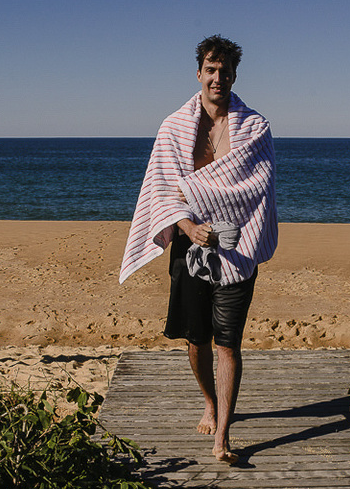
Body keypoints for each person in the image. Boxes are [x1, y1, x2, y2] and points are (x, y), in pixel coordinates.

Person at [119, 35, 278, 464]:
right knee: (197, 340)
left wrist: (205, 206)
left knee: (228, 343)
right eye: (211, 69)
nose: (218, 78)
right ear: (199, 73)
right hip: (189, 244)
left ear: (234, 75)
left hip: (237, 245)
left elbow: (255, 187)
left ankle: (222, 435)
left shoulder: (255, 127)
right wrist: (189, 225)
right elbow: (163, 187)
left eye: (225, 71)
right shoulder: (174, 126)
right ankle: (209, 400)